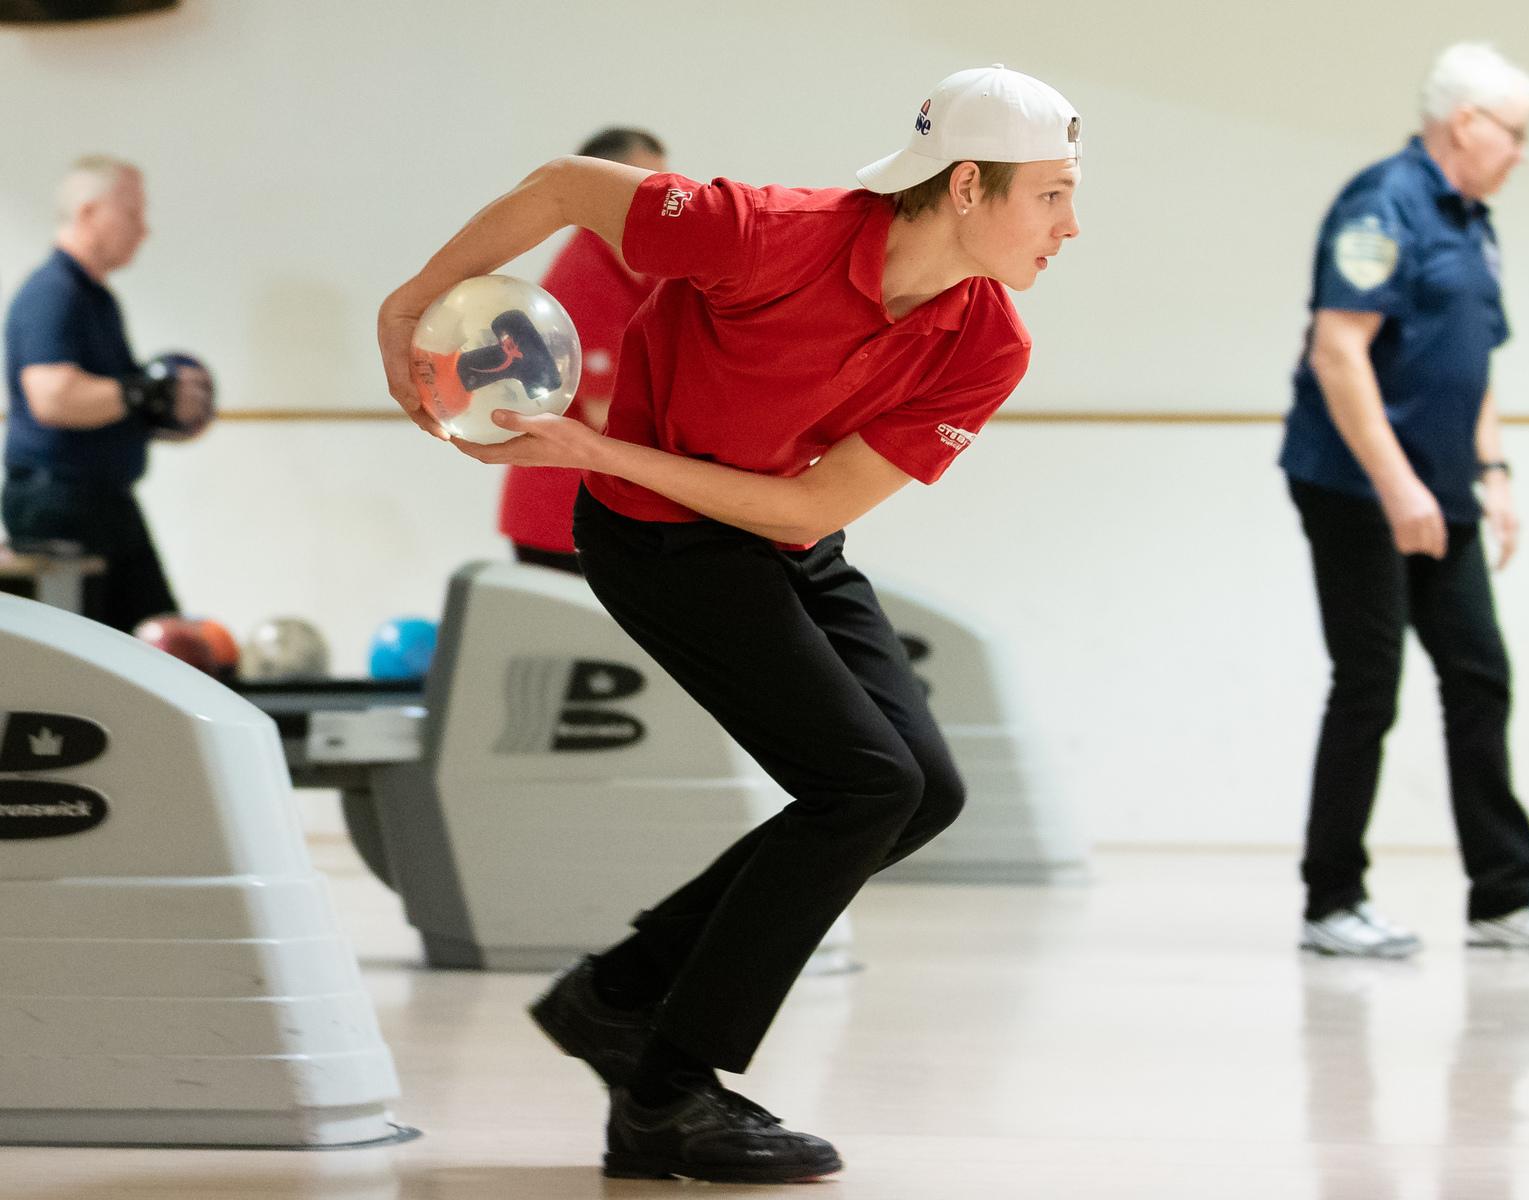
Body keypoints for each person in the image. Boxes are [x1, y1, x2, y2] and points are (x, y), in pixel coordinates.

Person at [376, 65, 1081, 1182]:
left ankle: (618, 994)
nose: (1070, 226)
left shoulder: (988, 342)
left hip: (784, 531)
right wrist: (411, 304)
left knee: (922, 790)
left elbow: (811, 508)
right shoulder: (763, 235)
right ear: (963, 188)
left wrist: (595, 446)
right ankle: (664, 1092)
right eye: (1050, 194)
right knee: (865, 784)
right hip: (657, 537)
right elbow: (565, 188)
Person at [1279, 44, 1529, 958]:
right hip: (1354, 485)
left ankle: (1506, 897)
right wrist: (1396, 488)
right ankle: (1331, 902)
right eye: (1516, 133)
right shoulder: (1382, 203)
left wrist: (1491, 475)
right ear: (1467, 123)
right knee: (1369, 686)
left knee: (1478, 676)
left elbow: (1474, 362)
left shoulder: (1473, 220)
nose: (1522, 152)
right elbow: (1338, 352)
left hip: (1442, 488)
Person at [2, 156, 214, 633]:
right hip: (58, 503)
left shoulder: (94, 297)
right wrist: (148, 393)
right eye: (133, 213)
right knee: (111, 655)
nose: (144, 229)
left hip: (99, 500)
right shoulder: (52, 293)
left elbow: (111, 399)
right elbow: (53, 398)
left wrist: (165, 411)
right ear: (90, 213)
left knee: (160, 641)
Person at [497, 127, 668, 572]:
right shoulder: (580, 280)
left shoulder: (650, 269)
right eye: (639, 182)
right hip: (561, 519)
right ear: (597, 190)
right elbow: (608, 418)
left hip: (615, 512)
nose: (658, 197)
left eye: (661, 182)